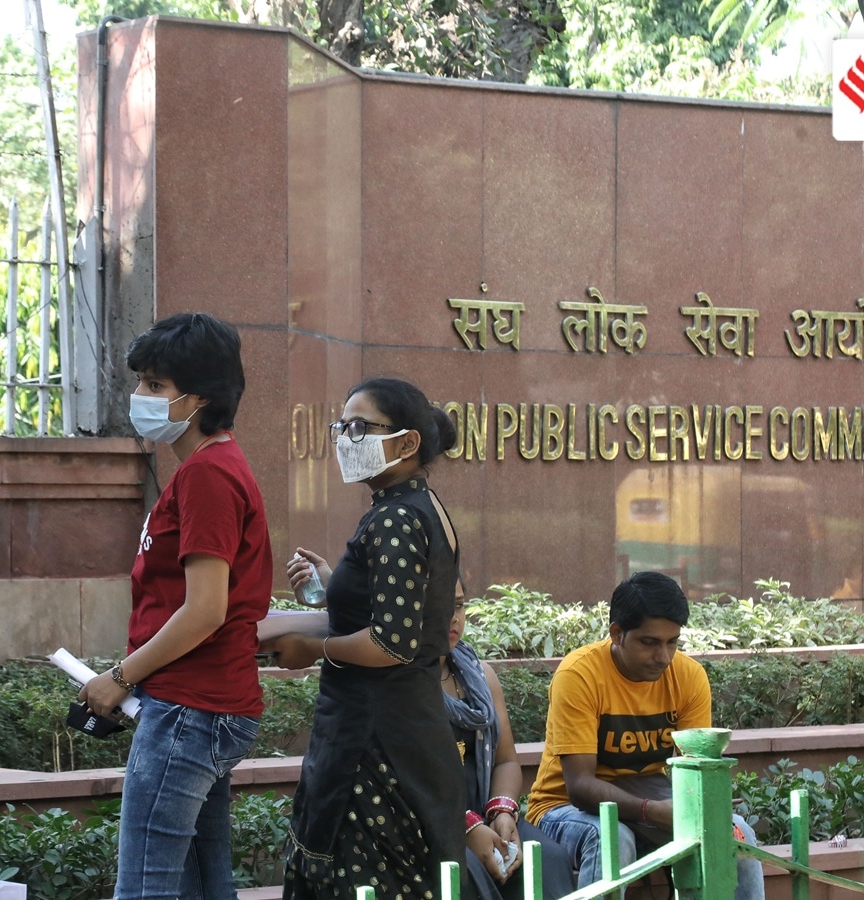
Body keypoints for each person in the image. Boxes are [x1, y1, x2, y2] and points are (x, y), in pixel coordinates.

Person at [75, 313, 273, 900]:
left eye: (156, 387)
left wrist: (119, 677)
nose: (140, 397)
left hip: (190, 708)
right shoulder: (212, 468)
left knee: (145, 889)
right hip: (207, 705)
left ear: (200, 398)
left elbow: (205, 610)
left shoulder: (208, 476)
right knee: (202, 887)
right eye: (140, 382)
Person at [271, 377, 473, 900]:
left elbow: (391, 643)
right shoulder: (417, 507)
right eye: (342, 425)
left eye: (359, 427)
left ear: (407, 443)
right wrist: (330, 587)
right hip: (408, 729)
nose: (344, 437)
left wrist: (311, 648)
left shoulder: (396, 518)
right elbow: (400, 612)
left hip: (374, 744)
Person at [524, 572, 766, 900]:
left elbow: (691, 776)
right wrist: (651, 811)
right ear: (617, 634)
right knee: (612, 838)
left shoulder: (690, 677)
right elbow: (579, 787)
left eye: (673, 642)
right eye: (649, 642)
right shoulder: (578, 675)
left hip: (652, 803)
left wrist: (692, 811)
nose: (663, 657)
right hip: (563, 808)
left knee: (738, 835)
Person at [441, 580, 577, 900]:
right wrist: (469, 829)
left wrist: (502, 812)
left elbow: (505, 761)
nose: (452, 617)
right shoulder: (397, 685)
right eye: (437, 606)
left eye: (458, 605)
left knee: (545, 857)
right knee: (468, 871)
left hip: (484, 813)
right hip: (429, 823)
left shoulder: (481, 677)